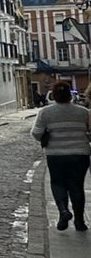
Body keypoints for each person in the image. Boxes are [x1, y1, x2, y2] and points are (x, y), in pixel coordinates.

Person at [32, 81, 91, 231]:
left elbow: (36, 133)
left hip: (55, 154)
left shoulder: (45, 112)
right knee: (76, 186)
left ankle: (63, 211)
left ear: (55, 96)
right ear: (70, 96)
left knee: (58, 183)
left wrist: (47, 137)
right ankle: (79, 222)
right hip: (80, 154)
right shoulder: (83, 112)